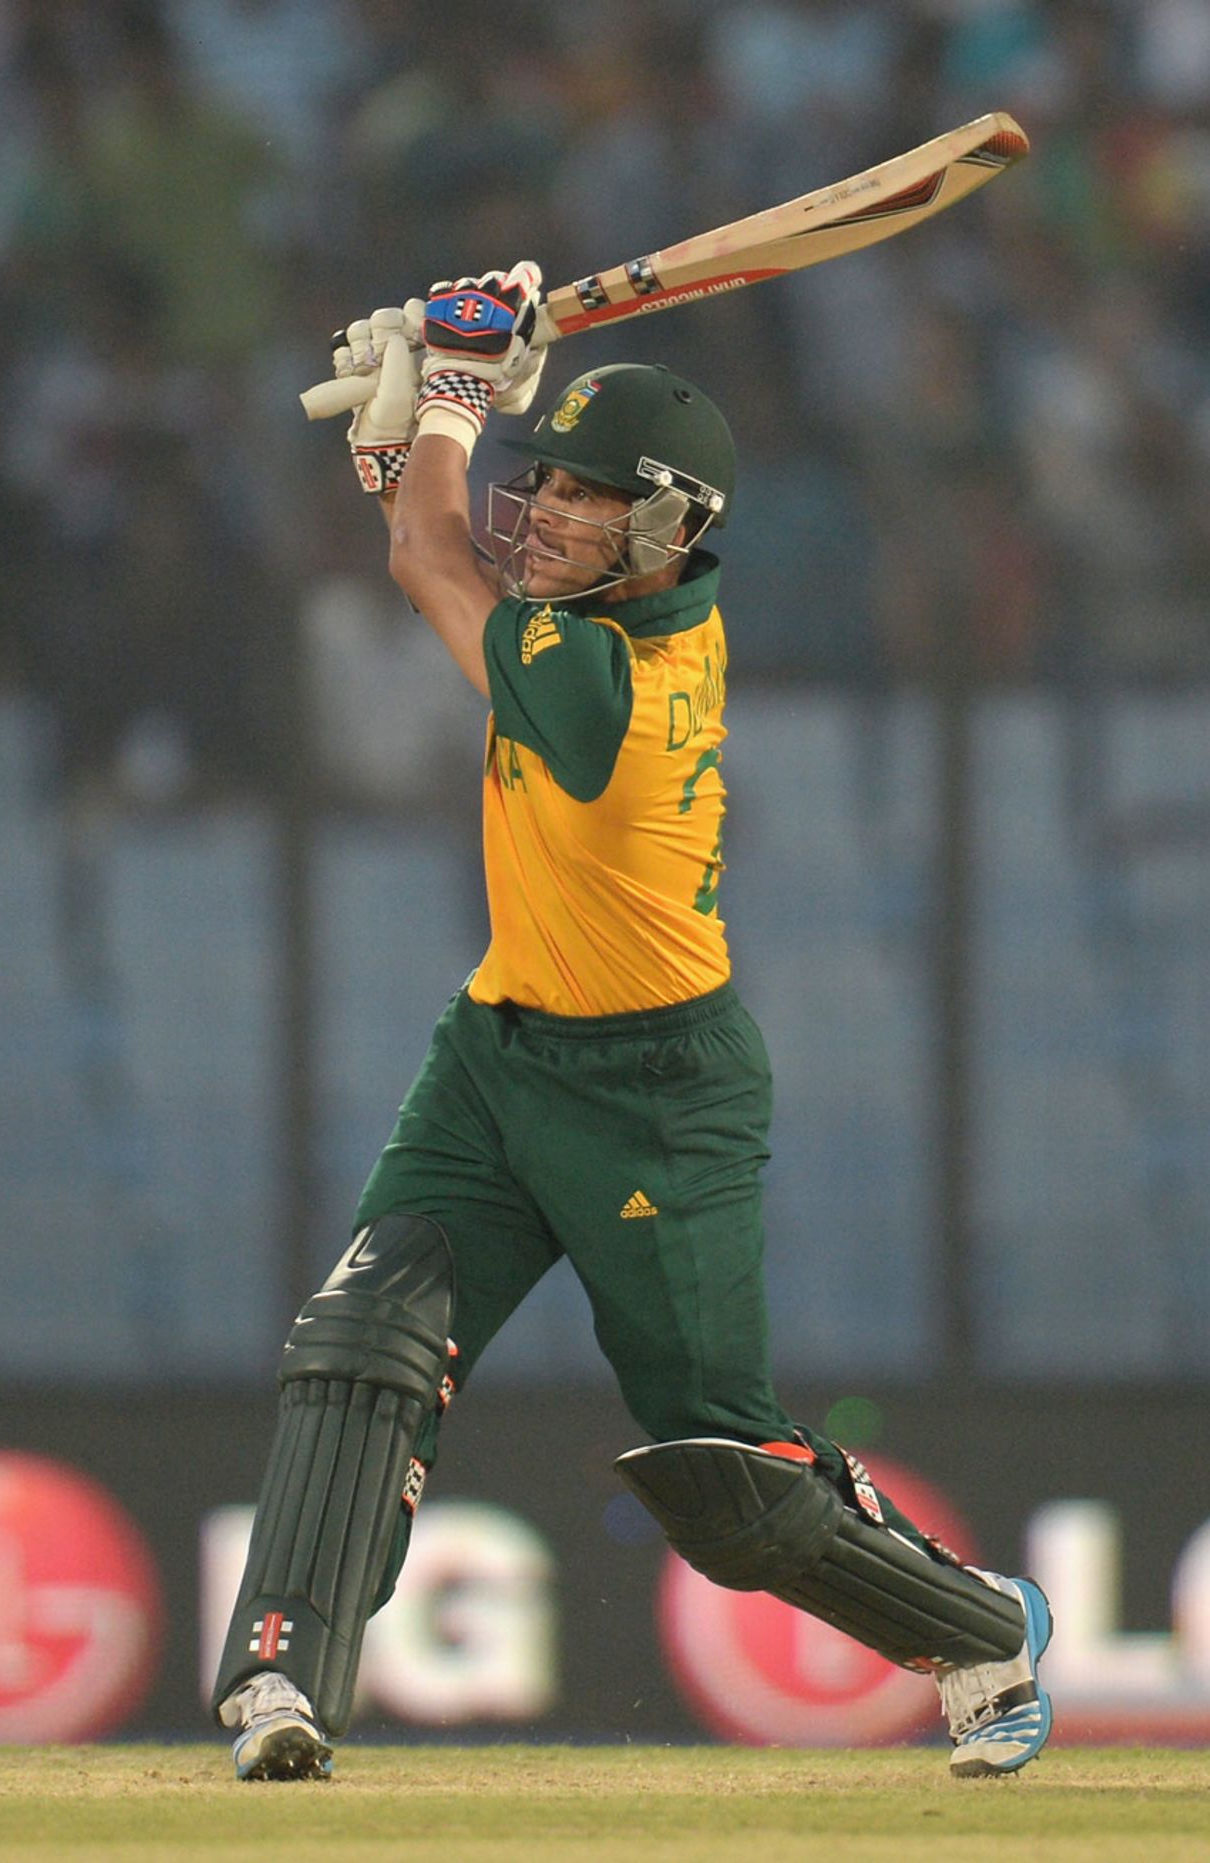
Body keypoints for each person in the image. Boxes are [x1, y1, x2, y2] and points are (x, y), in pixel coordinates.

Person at [212, 264, 1053, 1781]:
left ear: (665, 526)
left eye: (584, 499)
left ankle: (981, 1629)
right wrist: (417, 429)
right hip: (497, 1055)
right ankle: (283, 1685)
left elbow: (434, 557)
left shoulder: (615, 682)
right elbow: (431, 550)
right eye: (544, 484)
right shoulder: (577, 622)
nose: (544, 515)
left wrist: (452, 395)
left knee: (724, 1475)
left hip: (659, 1092)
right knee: (363, 1336)